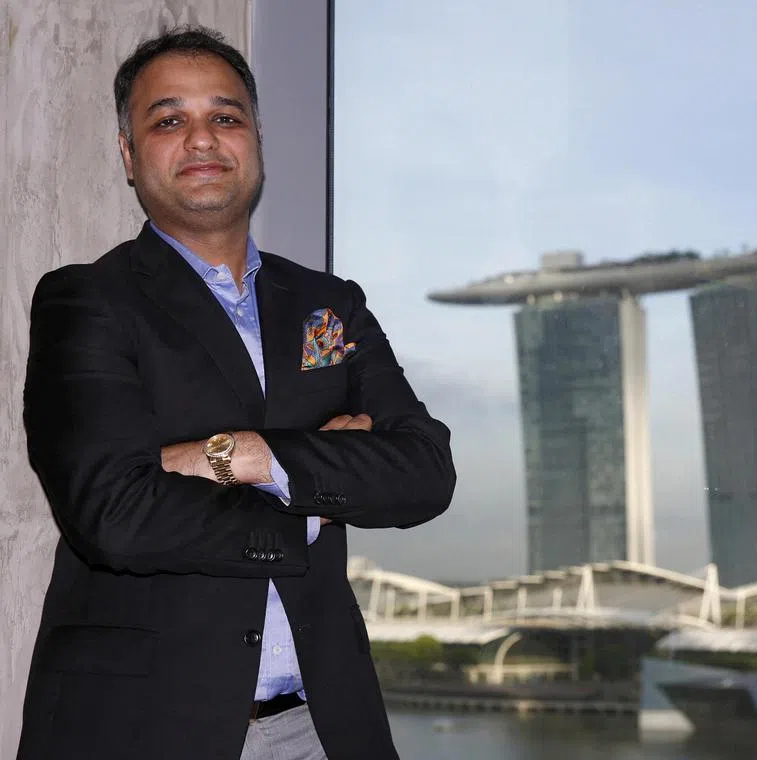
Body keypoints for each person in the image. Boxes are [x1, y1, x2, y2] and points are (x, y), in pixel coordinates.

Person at [17, 26, 455, 760]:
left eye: (225, 117)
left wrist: (245, 456)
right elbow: (114, 511)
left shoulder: (329, 305)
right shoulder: (87, 301)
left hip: (324, 725)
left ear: (255, 140)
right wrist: (309, 504)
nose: (201, 140)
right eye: (168, 120)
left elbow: (424, 471)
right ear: (129, 155)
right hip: (142, 728)